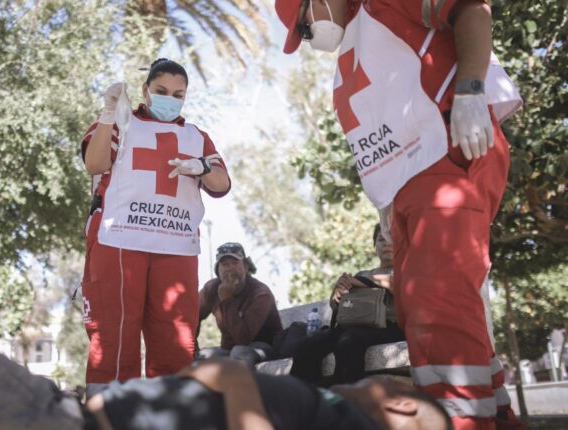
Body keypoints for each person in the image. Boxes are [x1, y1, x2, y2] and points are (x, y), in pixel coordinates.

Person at [275, 1, 524, 428]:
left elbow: (471, 9)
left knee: (440, 299)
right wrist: (389, 203)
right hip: (410, 185)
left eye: (305, 28)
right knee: (422, 309)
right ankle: (495, 413)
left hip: (446, 156)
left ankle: (462, 420)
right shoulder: (357, 41)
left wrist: (469, 89)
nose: (313, 41)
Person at [0, 282, 453, 430]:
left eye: (415, 408)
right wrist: (232, 385)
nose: (397, 386)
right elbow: (211, 371)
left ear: (397, 407)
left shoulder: (329, 422)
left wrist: (239, 393)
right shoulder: (313, 403)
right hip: (75, 411)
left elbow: (225, 377)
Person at [80, 58, 231, 392]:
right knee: (114, 338)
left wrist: (202, 167)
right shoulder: (123, 123)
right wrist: (107, 114)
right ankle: (111, 416)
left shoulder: (196, 137)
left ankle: (172, 415)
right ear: (146, 91)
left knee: (175, 341)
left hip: (173, 246)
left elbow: (221, 183)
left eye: (178, 94)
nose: (170, 99)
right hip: (119, 241)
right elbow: (95, 163)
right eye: (161, 91)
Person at [290, 224, 405, 385]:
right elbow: (337, 306)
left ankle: (347, 400)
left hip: (390, 327)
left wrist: (359, 282)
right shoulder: (362, 274)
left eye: (392, 238)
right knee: (306, 346)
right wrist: (338, 292)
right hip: (354, 325)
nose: (386, 243)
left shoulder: (407, 270)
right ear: (374, 245)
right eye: (381, 239)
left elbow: (397, 285)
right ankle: (308, 400)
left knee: (348, 342)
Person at [196, 242, 283, 367]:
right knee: (201, 357)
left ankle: (241, 386)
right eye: (224, 264)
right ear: (218, 270)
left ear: (246, 267)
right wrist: (192, 348)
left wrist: (226, 300)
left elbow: (243, 339)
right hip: (229, 351)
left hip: (263, 348)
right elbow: (191, 316)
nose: (229, 268)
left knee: (239, 352)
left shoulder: (261, 293)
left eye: (235, 263)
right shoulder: (212, 288)